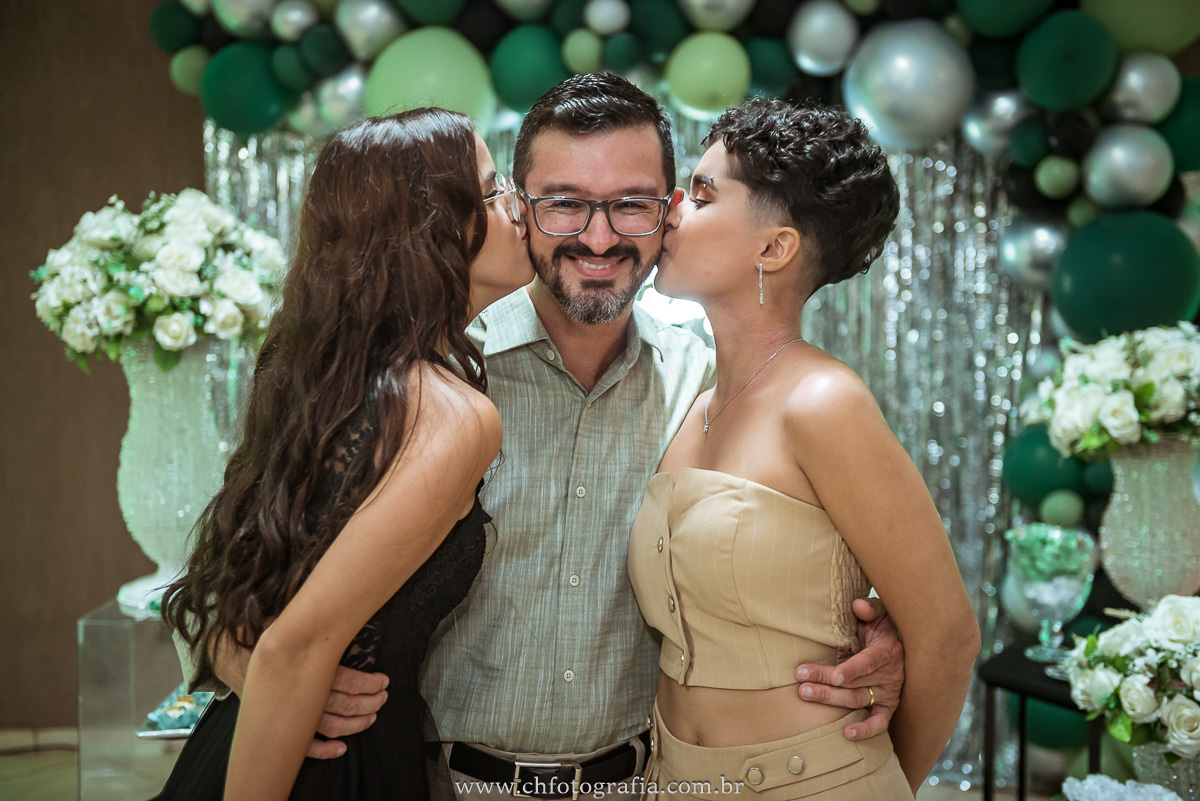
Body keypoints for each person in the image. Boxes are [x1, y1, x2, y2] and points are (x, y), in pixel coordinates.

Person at [198, 74, 907, 801]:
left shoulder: (707, 390)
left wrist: (877, 635)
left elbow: (788, 549)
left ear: (668, 212)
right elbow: (249, 555)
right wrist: (244, 658)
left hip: (639, 785)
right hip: (431, 783)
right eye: (564, 203)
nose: (598, 238)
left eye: (630, 205)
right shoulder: (430, 377)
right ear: (519, 207)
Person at [152, 107, 533, 801]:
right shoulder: (453, 415)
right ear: (432, 232)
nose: (517, 210)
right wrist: (255, 662)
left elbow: (239, 590)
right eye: (491, 191)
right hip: (324, 766)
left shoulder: (330, 377)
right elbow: (291, 647)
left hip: (256, 737)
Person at [629, 97, 981, 800]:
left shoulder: (823, 401)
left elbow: (948, 636)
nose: (670, 210)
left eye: (702, 194)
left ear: (774, 248)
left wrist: (879, 782)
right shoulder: (693, 398)